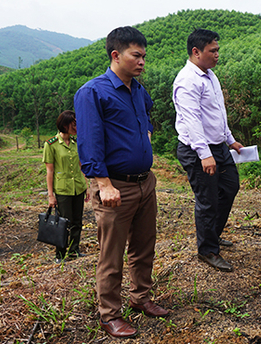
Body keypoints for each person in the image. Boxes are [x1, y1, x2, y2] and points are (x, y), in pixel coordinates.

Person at [74, 26, 167, 339]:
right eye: (135, 55)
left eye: (143, 56)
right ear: (116, 55)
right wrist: (103, 183)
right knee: (111, 254)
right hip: (115, 185)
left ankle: (141, 298)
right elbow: (88, 141)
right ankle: (109, 314)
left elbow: (147, 115)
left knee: (144, 247)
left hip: (145, 182)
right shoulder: (93, 92)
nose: (142, 61)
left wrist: (147, 137)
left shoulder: (138, 90)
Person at [173, 28, 243, 272]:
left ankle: (212, 234)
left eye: (217, 50)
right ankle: (208, 250)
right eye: (213, 51)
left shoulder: (210, 75)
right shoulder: (187, 81)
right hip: (197, 149)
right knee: (208, 200)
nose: (217, 55)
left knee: (231, 186)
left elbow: (217, 114)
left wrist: (230, 140)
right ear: (196, 52)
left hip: (218, 146)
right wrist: (205, 155)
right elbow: (192, 121)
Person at [42, 110, 88, 264]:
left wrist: (86, 185)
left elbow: (81, 166)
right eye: (73, 124)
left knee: (77, 221)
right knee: (63, 222)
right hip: (62, 189)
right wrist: (50, 195)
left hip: (78, 187)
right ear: (64, 125)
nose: (76, 127)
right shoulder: (51, 145)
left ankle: (74, 250)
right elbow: (50, 171)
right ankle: (60, 254)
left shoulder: (76, 143)